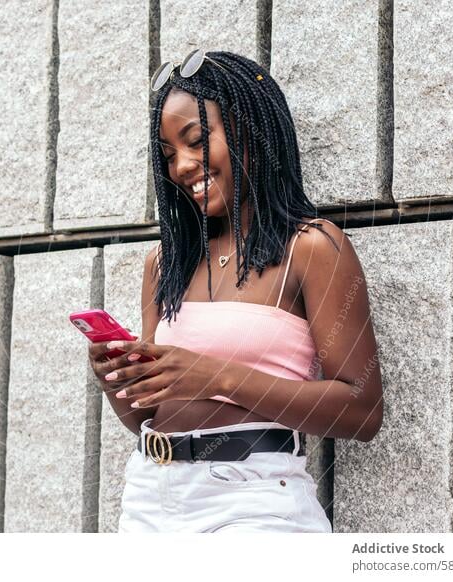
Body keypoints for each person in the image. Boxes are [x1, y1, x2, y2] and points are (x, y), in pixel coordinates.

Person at [88, 50, 384, 533]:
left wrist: (218, 378)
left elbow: (363, 409)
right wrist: (116, 377)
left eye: (197, 141)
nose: (182, 166)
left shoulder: (310, 248)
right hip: (149, 495)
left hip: (252, 498)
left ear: (251, 131)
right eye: (168, 155)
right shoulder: (165, 264)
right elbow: (147, 412)